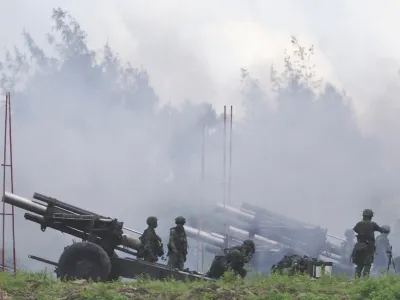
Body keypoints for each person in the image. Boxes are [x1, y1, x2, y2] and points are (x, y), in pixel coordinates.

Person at [351, 209, 390, 278]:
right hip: (368, 248)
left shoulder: (359, 224)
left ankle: (356, 281)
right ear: (371, 216)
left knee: (359, 265)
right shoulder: (373, 224)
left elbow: (355, 230)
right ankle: (365, 282)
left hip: (359, 247)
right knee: (367, 265)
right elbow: (381, 230)